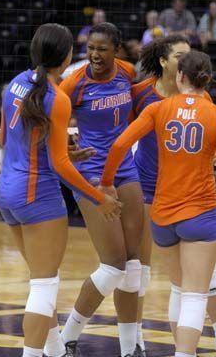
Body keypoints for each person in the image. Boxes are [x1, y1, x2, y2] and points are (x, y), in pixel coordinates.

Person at [103, 50, 216, 357]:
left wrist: (107, 182)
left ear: (179, 77)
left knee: (179, 289)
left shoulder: (159, 109)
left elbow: (120, 144)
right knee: (196, 296)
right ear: (207, 80)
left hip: (162, 214)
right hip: (199, 214)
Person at [0, 23, 122, 357]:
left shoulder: (15, 84)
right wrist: (100, 199)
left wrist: (62, 153)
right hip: (37, 195)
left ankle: (55, 352)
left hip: (7, 192)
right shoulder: (57, 98)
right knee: (43, 286)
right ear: (66, 57)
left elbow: (7, 140)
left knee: (42, 282)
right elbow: (60, 166)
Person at [131, 37, 216, 356]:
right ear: (166, 62)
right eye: (180, 54)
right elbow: (122, 135)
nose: (186, 58)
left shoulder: (201, 96)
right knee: (156, 272)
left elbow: (209, 138)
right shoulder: (141, 93)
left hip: (189, 191)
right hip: (150, 188)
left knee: (205, 272)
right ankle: (137, 337)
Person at [56, 23, 145, 357]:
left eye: (102, 49)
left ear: (116, 49)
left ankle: (130, 348)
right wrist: (66, 143)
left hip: (125, 166)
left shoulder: (127, 72)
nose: (94, 54)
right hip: (91, 171)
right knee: (114, 265)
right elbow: (52, 117)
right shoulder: (74, 83)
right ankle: (68, 336)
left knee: (133, 264)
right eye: (90, 48)